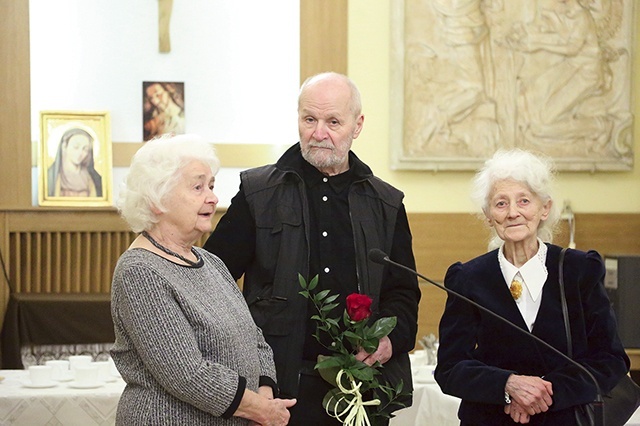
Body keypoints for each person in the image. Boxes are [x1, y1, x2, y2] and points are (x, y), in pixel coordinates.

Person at [203, 72, 420, 425]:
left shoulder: (386, 203)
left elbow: (403, 294)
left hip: (360, 391)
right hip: (278, 391)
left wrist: (389, 340)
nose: (319, 133)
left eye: (333, 121)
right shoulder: (258, 192)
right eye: (309, 119)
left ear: (357, 125)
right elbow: (214, 286)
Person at [434, 148, 630, 425]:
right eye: (501, 203)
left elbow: (610, 361)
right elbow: (450, 368)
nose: (513, 213)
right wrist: (507, 385)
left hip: (566, 418)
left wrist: (544, 394)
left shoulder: (579, 270)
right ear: (488, 214)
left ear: (544, 208)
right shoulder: (467, 278)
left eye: (524, 201)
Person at [110, 134, 295, 425]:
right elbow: (187, 373)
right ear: (157, 199)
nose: (212, 197)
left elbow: (254, 338)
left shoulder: (211, 262)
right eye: (198, 187)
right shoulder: (139, 272)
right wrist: (260, 409)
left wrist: (265, 390)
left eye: (211, 185)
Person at [47, 127, 102, 197]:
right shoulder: (51, 176)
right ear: (64, 146)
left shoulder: (92, 178)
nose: (80, 153)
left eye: (85, 149)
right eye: (76, 147)